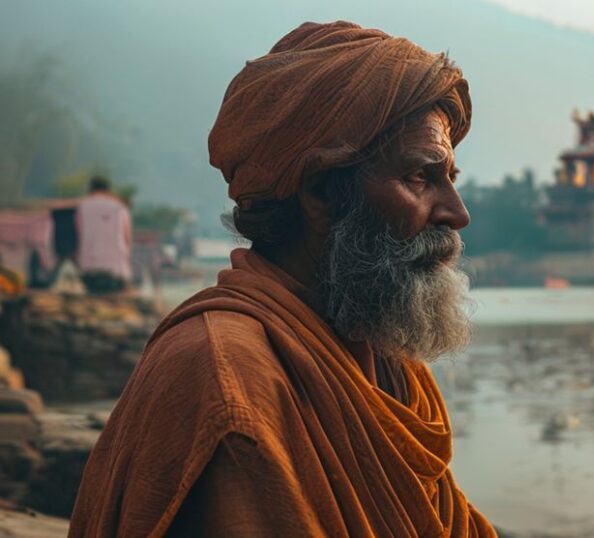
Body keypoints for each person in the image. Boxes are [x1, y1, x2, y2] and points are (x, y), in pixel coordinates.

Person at [70, 21, 495, 537]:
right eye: (420, 177)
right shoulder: (225, 382)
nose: (456, 212)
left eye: (450, 179)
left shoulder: (384, 361)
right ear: (319, 193)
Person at [76, 176, 132, 293]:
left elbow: (79, 235)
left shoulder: (82, 207)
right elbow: (127, 238)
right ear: (108, 190)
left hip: (89, 272)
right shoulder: (120, 207)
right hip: (116, 273)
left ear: (90, 189)